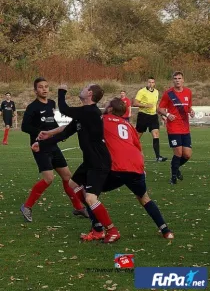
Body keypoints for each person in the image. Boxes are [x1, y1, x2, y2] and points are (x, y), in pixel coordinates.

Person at [34, 98, 174, 242]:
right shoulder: (128, 125)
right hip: (136, 166)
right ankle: (166, 231)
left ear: (110, 109)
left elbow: (76, 124)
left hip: (114, 166)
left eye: (106, 104)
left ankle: (100, 228)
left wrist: (50, 133)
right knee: (144, 198)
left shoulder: (102, 119)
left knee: (89, 194)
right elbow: (138, 148)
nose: (104, 106)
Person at [33, 83, 120, 244]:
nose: (81, 88)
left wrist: (61, 91)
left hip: (99, 162)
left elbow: (65, 109)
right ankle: (97, 226)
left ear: (89, 94)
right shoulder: (83, 114)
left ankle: (111, 230)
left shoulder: (90, 111)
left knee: (91, 198)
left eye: (85, 87)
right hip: (90, 161)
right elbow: (66, 133)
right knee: (73, 184)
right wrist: (43, 143)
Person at [20, 77, 87, 222]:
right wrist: (38, 132)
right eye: (40, 87)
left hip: (53, 145)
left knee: (67, 177)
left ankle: (78, 207)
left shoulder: (51, 103)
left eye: (46, 86)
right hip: (40, 146)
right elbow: (24, 126)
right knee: (48, 178)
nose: (44, 89)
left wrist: (59, 132)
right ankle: (27, 206)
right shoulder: (32, 107)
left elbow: (52, 121)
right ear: (35, 90)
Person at [158, 71, 195, 184]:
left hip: (185, 127)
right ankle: (173, 177)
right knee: (178, 153)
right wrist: (168, 115)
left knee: (187, 155)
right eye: (175, 78)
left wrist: (191, 111)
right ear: (173, 80)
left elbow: (188, 107)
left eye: (179, 78)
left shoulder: (188, 92)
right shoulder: (168, 93)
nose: (177, 80)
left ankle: (175, 167)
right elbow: (160, 109)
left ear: (183, 80)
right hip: (173, 128)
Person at [133, 77, 167, 162]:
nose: (151, 84)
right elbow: (135, 103)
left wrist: (161, 114)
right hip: (143, 115)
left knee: (156, 134)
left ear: (154, 83)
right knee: (137, 136)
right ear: (147, 83)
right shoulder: (141, 91)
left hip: (153, 116)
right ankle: (129, 152)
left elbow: (156, 105)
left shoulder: (156, 92)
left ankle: (158, 156)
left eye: (152, 82)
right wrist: (145, 105)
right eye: (149, 82)